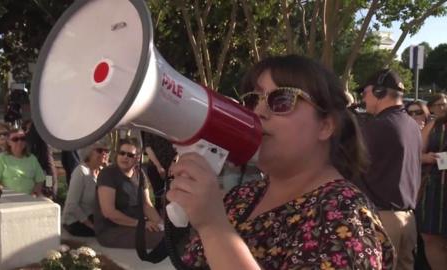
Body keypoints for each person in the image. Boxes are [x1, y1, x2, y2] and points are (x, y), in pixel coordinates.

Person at [167, 55, 394, 269]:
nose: (258, 111)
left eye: (282, 100)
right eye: (254, 99)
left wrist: (213, 226)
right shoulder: (242, 196)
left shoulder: (346, 215)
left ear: (326, 126)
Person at [358, 69, 422, 270]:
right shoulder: (412, 125)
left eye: (365, 92)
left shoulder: (378, 126)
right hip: (408, 220)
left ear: (378, 92)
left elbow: (349, 164)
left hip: (384, 219)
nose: (363, 97)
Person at [95, 140, 163, 249]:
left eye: (130, 155)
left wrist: (160, 223)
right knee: (161, 239)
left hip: (136, 225)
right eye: (122, 153)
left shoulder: (140, 173)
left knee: (169, 234)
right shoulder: (108, 174)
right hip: (112, 230)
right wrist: (141, 224)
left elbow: (147, 205)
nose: (125, 157)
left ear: (137, 158)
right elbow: (109, 212)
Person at [415, 109, 447, 270]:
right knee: (431, 237)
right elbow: (414, 153)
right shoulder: (436, 124)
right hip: (434, 189)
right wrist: (426, 157)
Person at [62, 141, 110, 237]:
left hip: (93, 216)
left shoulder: (102, 172)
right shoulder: (81, 172)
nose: (104, 153)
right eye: (99, 150)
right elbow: (72, 204)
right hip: (76, 221)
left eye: (106, 151)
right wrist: (91, 226)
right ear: (88, 153)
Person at [0, 128, 45, 195]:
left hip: (30, 197)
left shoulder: (32, 158)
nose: (19, 142)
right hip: (9, 198)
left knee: (54, 205)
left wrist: (34, 194)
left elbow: (40, 180)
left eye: (22, 138)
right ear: (8, 142)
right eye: (15, 139)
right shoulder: (1, 158)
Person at [141, 131, 177, 212]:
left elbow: (180, 145)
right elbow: (148, 147)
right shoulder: (151, 125)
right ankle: (158, 219)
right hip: (155, 166)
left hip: (172, 166)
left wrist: (174, 162)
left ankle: (170, 220)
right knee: (158, 196)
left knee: (172, 196)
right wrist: (158, 166)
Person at [24, 120, 58, 197]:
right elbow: (49, 167)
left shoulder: (29, 140)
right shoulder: (43, 141)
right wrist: (49, 187)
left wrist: (49, 187)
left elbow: (48, 167)